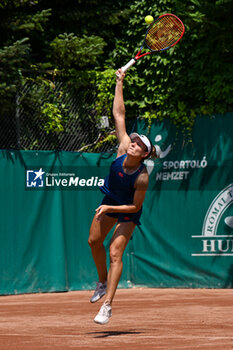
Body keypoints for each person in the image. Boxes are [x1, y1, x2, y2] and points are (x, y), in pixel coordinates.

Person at [88, 68, 157, 325]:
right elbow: (119, 114)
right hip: (110, 201)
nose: (133, 142)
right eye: (134, 139)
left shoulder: (142, 176)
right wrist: (120, 82)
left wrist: (108, 211)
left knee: (115, 251)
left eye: (139, 144)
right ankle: (102, 282)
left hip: (128, 210)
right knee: (94, 242)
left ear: (144, 154)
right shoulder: (121, 148)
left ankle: (107, 306)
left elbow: (135, 206)